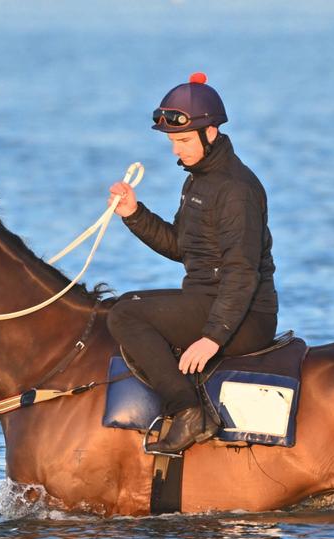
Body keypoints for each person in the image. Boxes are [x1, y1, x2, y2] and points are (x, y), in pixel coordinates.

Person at [107, 72, 279, 454]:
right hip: (209, 301)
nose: (175, 151)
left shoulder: (236, 189)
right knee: (121, 305)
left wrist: (212, 337)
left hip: (246, 316)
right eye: (172, 141)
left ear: (211, 133)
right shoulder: (197, 181)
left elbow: (242, 273)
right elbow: (181, 247)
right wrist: (134, 213)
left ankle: (188, 411)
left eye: (183, 140)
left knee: (125, 317)